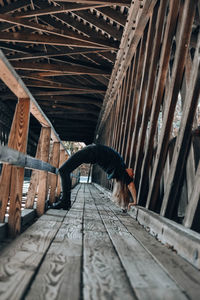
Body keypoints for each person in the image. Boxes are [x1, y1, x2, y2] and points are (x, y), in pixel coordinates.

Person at [53, 144, 137, 211]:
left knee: (63, 170)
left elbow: (131, 185)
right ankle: (65, 202)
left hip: (91, 152)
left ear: (127, 177)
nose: (133, 172)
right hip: (91, 151)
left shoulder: (121, 171)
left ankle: (65, 202)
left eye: (132, 175)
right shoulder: (121, 167)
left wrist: (135, 201)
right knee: (65, 171)